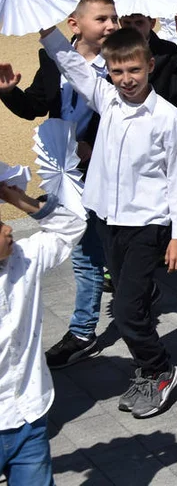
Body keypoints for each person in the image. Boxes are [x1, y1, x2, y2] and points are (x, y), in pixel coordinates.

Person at [40, 24, 177, 417]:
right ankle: (146, 368)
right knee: (131, 305)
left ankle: (160, 369)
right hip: (108, 221)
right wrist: (47, 32)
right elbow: (73, 66)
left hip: (148, 225)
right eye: (118, 72)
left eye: (134, 71)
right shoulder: (107, 101)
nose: (126, 80)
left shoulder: (167, 117)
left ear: (150, 66)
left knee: (124, 311)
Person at [0, 0, 115, 369]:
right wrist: (9, 92)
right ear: (75, 25)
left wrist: (92, 148)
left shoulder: (120, 64)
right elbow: (36, 105)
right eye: (102, 19)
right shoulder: (50, 59)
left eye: (114, 18)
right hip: (63, 172)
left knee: (104, 245)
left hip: (103, 171)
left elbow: (125, 123)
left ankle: (115, 304)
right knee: (84, 251)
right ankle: (84, 329)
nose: (112, 25)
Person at [0, 182, 86, 484]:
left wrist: (19, 199)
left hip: (30, 416)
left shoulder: (23, 258)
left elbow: (72, 228)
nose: (8, 227)